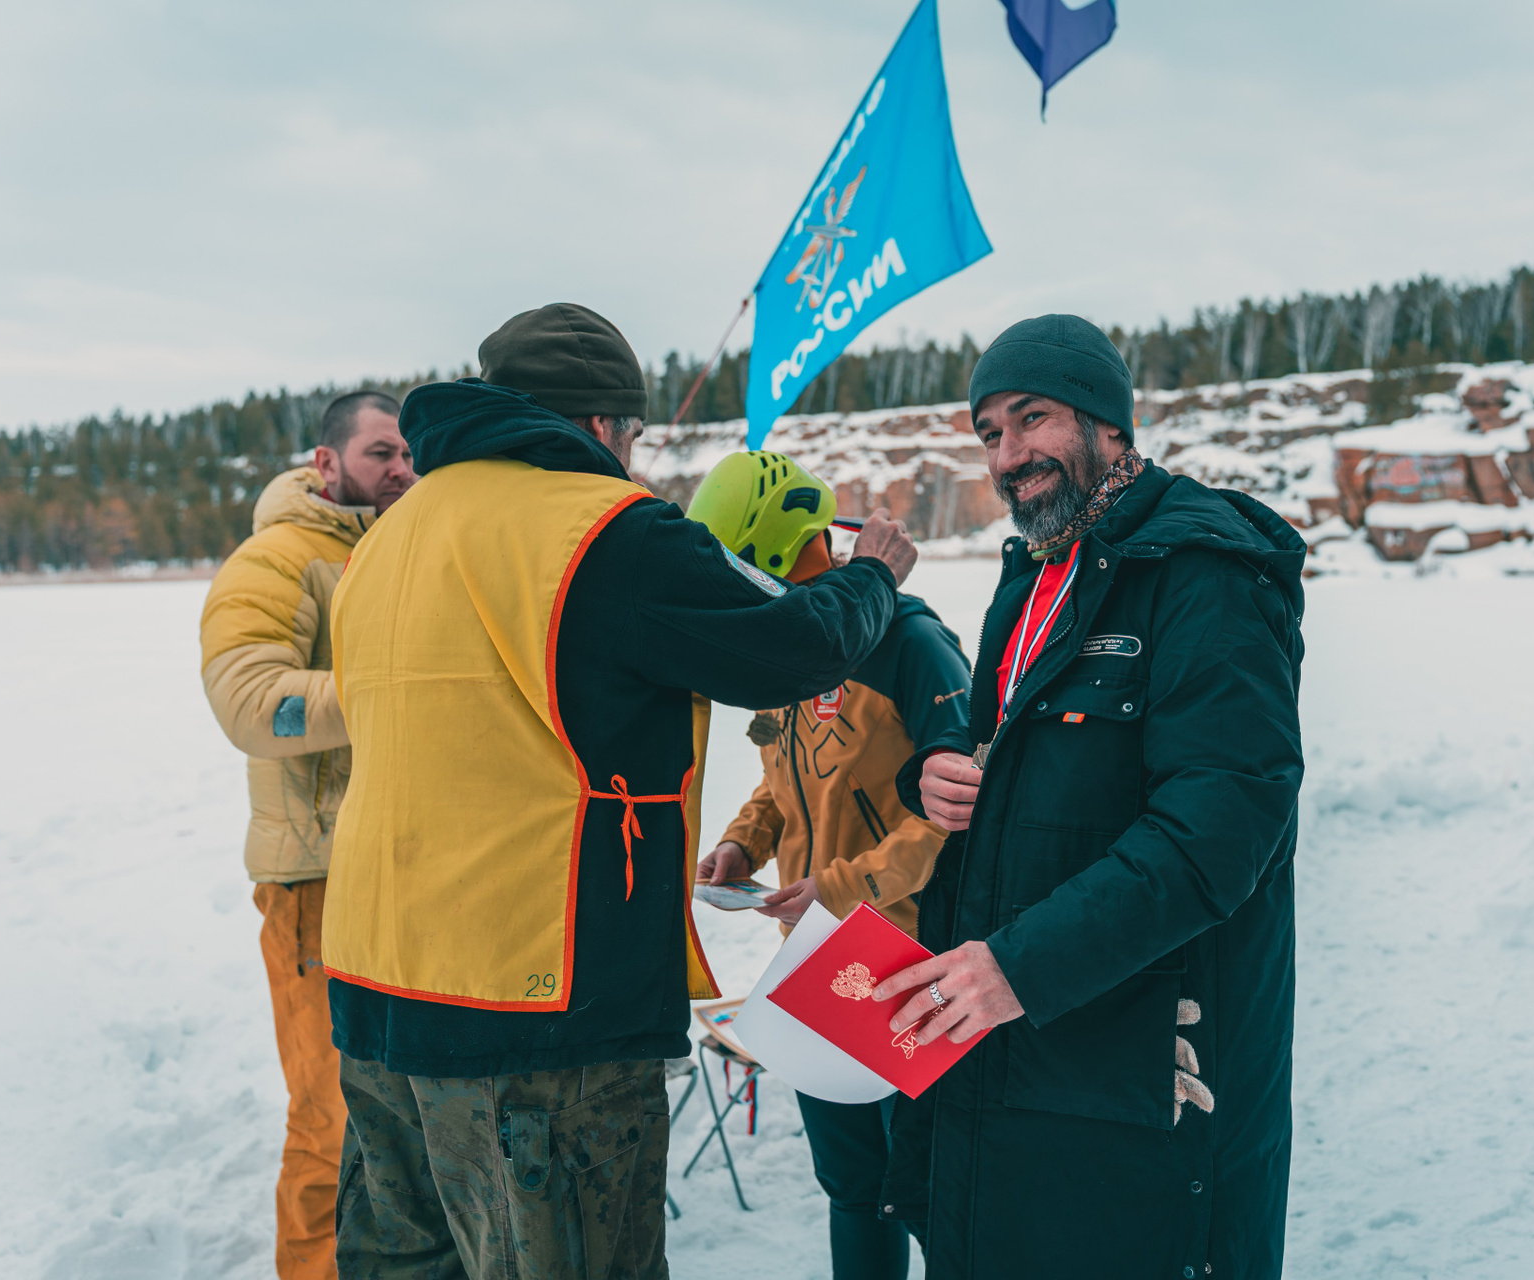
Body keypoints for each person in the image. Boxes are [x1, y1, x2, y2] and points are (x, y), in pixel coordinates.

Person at [320, 303, 921, 1280]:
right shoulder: (602, 528)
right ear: (603, 424)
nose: (632, 460)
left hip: (373, 991)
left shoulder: (386, 539)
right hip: (538, 1007)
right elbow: (790, 646)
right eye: (632, 437)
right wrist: (871, 580)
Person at [873, 314, 1307, 1279]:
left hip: (1148, 1069)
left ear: (1109, 421)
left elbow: (1217, 831)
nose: (1008, 456)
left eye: (1033, 418)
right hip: (1022, 1055)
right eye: (990, 432)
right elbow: (1009, 751)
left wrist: (1017, 967)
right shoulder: (1035, 574)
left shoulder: (1202, 573)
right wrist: (935, 771)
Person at [689, 452, 970, 1280]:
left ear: (773, 553)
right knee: (852, 1185)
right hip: (817, 956)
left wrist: (843, 886)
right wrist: (744, 842)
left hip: (907, 960)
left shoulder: (912, 644)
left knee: (924, 1190)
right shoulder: (792, 650)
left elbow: (958, 811)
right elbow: (783, 782)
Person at [198, 390, 416, 1280]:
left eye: (410, 454)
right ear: (326, 463)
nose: (400, 470)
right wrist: (402, 692)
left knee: (400, 1117)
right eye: (380, 453)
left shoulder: (401, 550)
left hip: (400, 874)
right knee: (331, 1120)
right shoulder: (277, 558)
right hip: (315, 882)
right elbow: (250, 703)